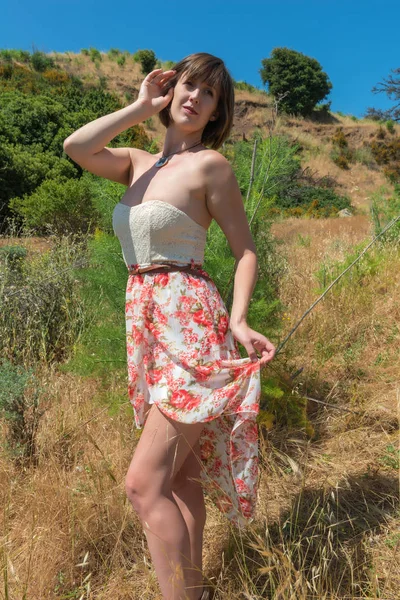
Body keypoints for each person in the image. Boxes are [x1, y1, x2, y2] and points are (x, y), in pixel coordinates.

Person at [63, 52, 275, 600]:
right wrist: (138, 107)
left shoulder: (212, 167)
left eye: (208, 94)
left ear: (215, 112)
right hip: (147, 327)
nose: (194, 98)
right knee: (178, 479)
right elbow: (76, 147)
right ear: (169, 90)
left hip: (192, 324)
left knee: (143, 484)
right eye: (187, 86)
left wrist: (241, 317)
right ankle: (197, 589)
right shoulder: (135, 162)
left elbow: (244, 249)